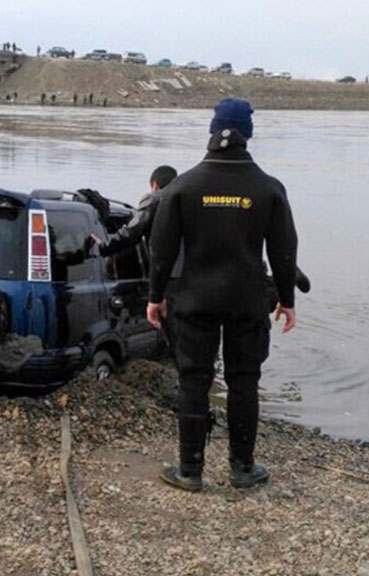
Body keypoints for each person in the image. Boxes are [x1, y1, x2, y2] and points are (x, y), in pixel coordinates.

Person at [148, 97, 298, 493]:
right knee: (244, 381)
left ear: (213, 131)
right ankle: (242, 469)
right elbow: (284, 250)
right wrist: (287, 299)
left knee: (193, 380)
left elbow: (161, 251)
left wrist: (154, 296)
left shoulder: (184, 185)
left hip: (194, 300)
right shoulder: (267, 188)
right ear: (248, 134)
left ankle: (190, 471)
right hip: (246, 300)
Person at [92, 165, 177, 258]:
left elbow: (132, 232)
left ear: (155, 185)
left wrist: (103, 247)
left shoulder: (153, 200)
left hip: (163, 266)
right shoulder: (185, 200)